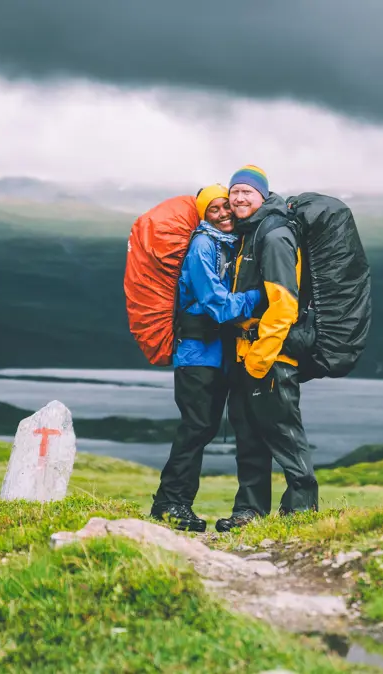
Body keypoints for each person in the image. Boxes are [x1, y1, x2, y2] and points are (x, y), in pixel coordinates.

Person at [150, 184, 261, 532]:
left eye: (226, 206)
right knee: (197, 427)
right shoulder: (202, 246)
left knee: (203, 427)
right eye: (213, 210)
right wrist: (263, 295)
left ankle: (175, 503)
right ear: (203, 215)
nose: (225, 213)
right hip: (197, 354)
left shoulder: (228, 244)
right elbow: (217, 304)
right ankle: (170, 504)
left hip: (215, 355)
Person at [215, 166, 319, 533]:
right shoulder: (250, 233)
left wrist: (263, 354)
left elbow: (284, 303)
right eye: (235, 192)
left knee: (283, 434)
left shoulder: (273, 235)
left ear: (263, 195)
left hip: (271, 356)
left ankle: (301, 513)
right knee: (249, 437)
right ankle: (249, 513)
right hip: (247, 355)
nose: (239, 198)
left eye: (247, 192)